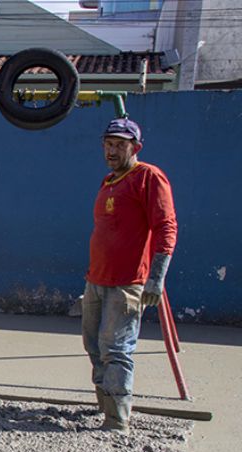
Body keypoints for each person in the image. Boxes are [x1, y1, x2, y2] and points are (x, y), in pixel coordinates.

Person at [83, 117, 178, 434]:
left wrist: (157, 277)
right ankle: (104, 405)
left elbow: (165, 226)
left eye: (119, 146)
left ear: (135, 147)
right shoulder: (109, 181)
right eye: (108, 144)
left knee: (116, 349)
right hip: (96, 279)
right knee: (94, 346)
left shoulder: (148, 177)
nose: (111, 151)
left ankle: (117, 420)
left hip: (126, 284)